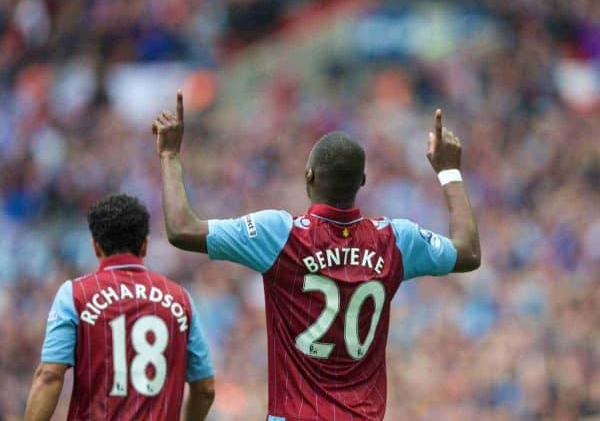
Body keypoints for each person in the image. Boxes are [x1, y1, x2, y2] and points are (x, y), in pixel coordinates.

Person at [151, 93, 480, 420]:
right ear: (362, 181)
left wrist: (169, 155)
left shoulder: (279, 235)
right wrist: (449, 171)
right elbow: (468, 252)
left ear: (308, 175)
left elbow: (181, 229)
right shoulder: (396, 239)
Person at [24, 194, 215, 421]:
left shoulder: (75, 295)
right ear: (144, 245)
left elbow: (49, 376)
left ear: (95, 246)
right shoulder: (180, 299)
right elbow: (205, 390)